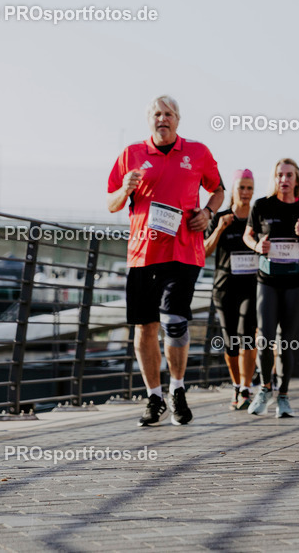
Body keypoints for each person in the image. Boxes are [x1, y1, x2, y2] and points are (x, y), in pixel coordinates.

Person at [107, 95, 224, 427]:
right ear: (149, 120)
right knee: (145, 326)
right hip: (143, 253)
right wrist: (124, 188)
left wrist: (207, 212)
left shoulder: (197, 152)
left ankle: (177, 388)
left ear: (178, 119)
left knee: (174, 320)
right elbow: (112, 203)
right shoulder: (131, 154)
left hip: (183, 250)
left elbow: (218, 190)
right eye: (157, 113)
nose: (163, 118)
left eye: (169, 113)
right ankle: (154, 396)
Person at [244, 158, 299, 419]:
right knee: (265, 339)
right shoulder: (262, 205)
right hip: (267, 278)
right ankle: (266, 388)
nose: (284, 180)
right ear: (274, 178)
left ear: (296, 179)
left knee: (286, 342)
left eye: (289, 175)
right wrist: (257, 247)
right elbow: (248, 234)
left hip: (296, 281)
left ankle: (284, 397)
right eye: (280, 175)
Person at [204, 169, 258, 410]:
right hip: (225, 287)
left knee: (247, 334)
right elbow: (204, 251)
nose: (245, 193)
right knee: (230, 342)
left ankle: (246, 388)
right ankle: (237, 385)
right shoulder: (221, 216)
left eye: (249, 188)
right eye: (241, 188)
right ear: (233, 190)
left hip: (252, 286)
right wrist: (219, 229)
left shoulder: (258, 218)